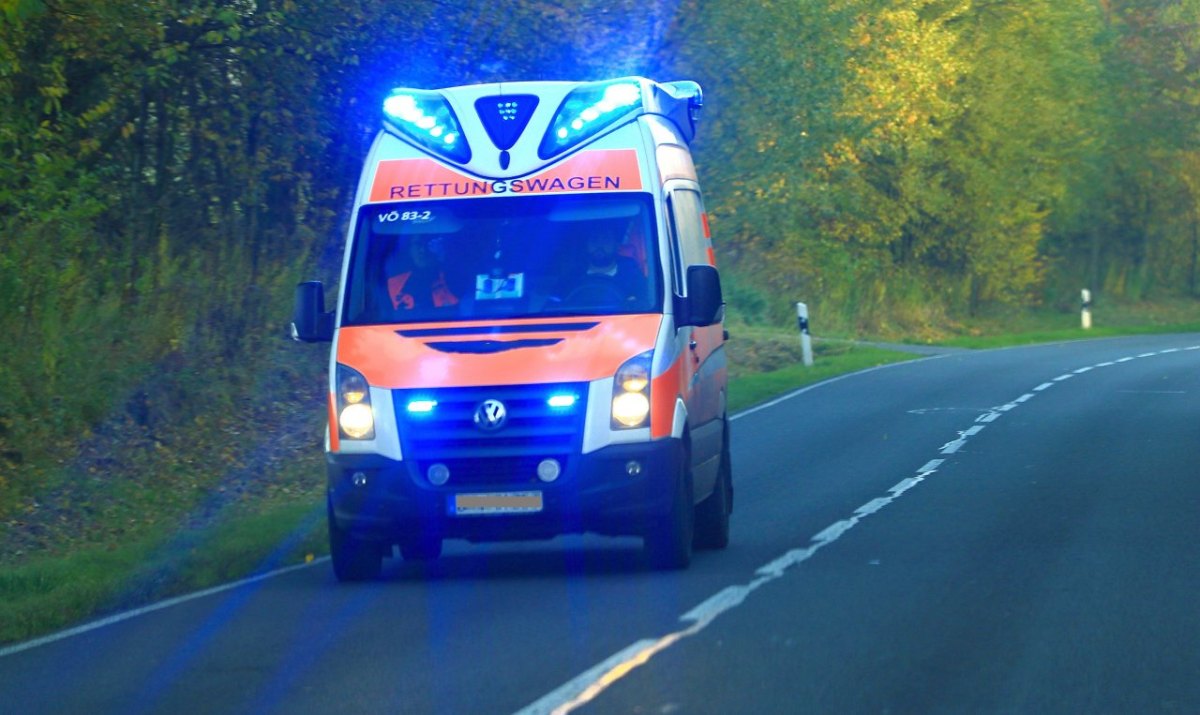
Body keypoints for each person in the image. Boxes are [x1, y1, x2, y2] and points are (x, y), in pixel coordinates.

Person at [385, 235, 459, 311]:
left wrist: (443, 261)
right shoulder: (393, 284)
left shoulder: (455, 278)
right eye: (418, 244)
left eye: (428, 244)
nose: (423, 250)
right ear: (409, 249)